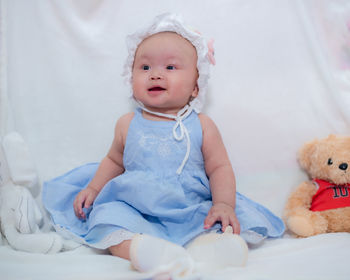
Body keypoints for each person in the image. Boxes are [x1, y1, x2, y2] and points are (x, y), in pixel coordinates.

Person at [43, 13, 285, 275]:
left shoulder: (202, 125)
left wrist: (224, 204)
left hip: (189, 205)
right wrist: (93, 187)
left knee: (217, 221)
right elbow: (114, 160)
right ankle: (142, 250)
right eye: (145, 68)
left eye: (170, 68)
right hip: (135, 205)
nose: (155, 75)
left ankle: (209, 248)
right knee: (107, 217)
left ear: (196, 86)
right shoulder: (127, 124)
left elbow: (219, 168)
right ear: (131, 76)